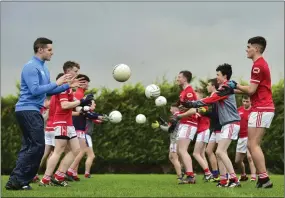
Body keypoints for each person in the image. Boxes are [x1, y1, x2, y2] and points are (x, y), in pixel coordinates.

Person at [5, 37, 82, 190]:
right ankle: (18, 180)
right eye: (49, 50)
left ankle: (18, 181)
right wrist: (58, 83)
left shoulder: (44, 68)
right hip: (27, 109)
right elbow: (35, 90)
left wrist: (66, 85)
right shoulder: (31, 67)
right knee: (37, 146)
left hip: (33, 110)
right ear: (40, 49)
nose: (52, 53)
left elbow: (50, 90)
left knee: (30, 146)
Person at [217, 36, 274, 188]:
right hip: (261, 107)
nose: (246, 50)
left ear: (256, 48)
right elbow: (251, 91)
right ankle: (263, 178)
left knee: (253, 144)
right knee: (251, 145)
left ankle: (264, 179)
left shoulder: (257, 66)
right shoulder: (259, 64)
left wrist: (235, 85)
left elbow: (251, 90)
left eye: (248, 47)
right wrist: (232, 89)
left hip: (262, 108)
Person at [180, 64, 241, 188]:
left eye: (218, 75)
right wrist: (191, 105)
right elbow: (209, 101)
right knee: (219, 153)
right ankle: (224, 180)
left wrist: (191, 104)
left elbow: (208, 100)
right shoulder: (224, 87)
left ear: (224, 75)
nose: (216, 77)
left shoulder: (225, 87)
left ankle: (234, 180)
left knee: (220, 151)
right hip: (227, 124)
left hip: (231, 123)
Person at [40, 61, 94, 187]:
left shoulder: (68, 87)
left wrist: (85, 107)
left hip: (68, 123)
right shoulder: (63, 86)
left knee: (76, 150)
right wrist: (82, 101)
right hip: (61, 123)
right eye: (75, 71)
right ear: (68, 71)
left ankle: (59, 176)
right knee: (58, 151)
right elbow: (65, 105)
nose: (77, 74)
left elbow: (76, 104)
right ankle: (46, 179)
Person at [33, 73, 65, 182]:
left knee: (49, 153)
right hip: (52, 128)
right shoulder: (55, 96)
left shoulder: (54, 95)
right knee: (49, 153)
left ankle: (46, 174)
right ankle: (36, 173)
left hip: (50, 128)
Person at [175, 70, 198, 184]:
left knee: (182, 150)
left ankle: (191, 176)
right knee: (180, 151)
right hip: (184, 123)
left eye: (179, 77)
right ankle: (188, 173)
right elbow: (187, 108)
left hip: (190, 123)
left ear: (185, 78)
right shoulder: (183, 92)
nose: (177, 79)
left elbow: (194, 109)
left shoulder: (189, 92)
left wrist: (179, 116)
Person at [192, 89, 213, 182]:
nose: (194, 97)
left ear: (201, 97)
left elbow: (199, 113)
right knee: (201, 154)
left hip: (203, 131)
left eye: (196, 95)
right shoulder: (200, 105)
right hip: (204, 131)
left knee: (195, 153)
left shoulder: (203, 105)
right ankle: (208, 174)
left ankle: (208, 173)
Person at [235, 95, 256, 182]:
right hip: (241, 138)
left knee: (250, 157)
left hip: (250, 137)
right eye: (244, 101)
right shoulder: (238, 110)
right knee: (237, 160)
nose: (245, 103)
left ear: (251, 101)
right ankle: (243, 175)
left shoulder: (253, 110)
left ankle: (253, 176)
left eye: (247, 101)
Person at [205, 79, 222, 181]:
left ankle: (227, 175)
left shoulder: (216, 96)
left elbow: (217, 115)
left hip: (220, 127)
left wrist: (205, 112)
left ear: (213, 86)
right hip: (215, 128)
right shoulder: (212, 97)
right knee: (208, 150)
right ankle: (215, 174)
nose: (207, 87)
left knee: (221, 153)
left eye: (208, 85)